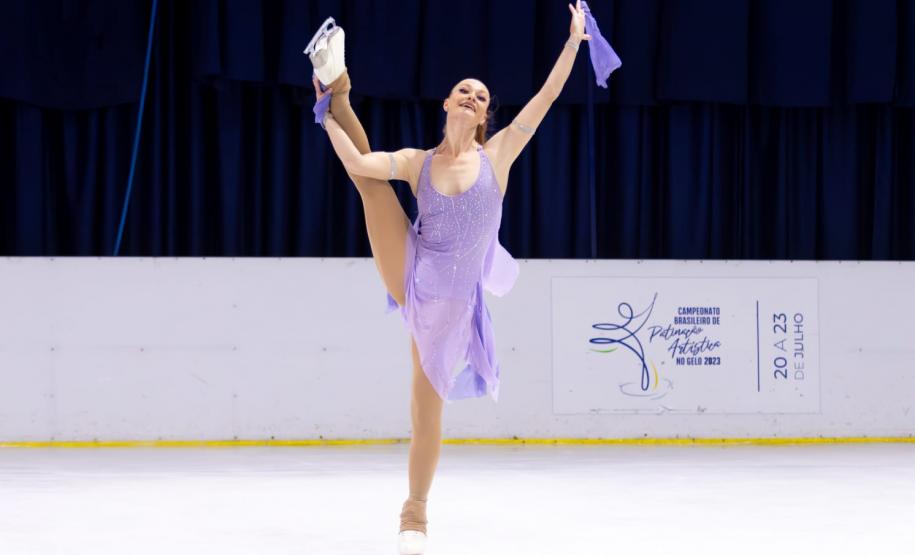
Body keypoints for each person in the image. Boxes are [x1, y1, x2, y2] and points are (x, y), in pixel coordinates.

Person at [307, 3, 592, 553]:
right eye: (463, 89)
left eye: (481, 96)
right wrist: (327, 118)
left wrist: (572, 43)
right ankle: (339, 90)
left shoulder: (498, 155)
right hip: (414, 275)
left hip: (453, 310)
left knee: (425, 414)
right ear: (446, 102)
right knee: (371, 186)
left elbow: (547, 97)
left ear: (485, 115)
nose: (472, 96)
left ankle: (416, 508)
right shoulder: (419, 161)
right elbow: (362, 167)